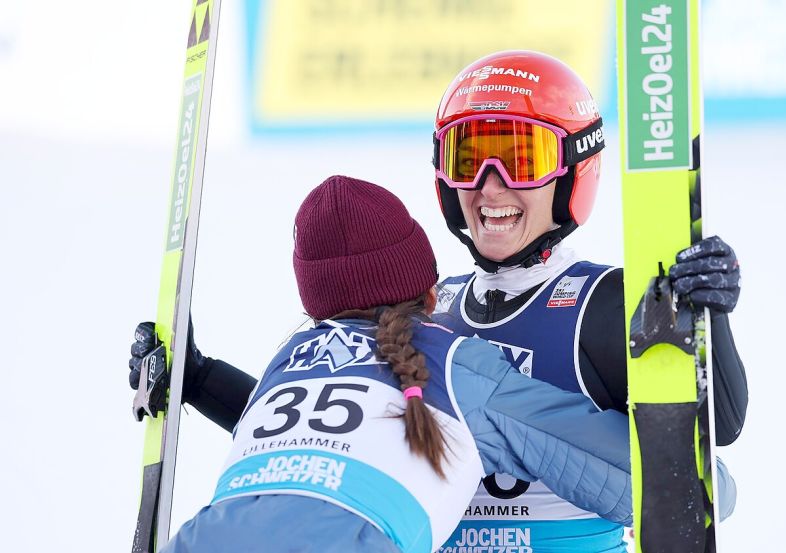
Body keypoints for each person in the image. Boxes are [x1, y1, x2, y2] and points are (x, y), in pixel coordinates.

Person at [128, 51, 748, 553]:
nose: (489, 187)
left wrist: (707, 320)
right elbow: (334, 442)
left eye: (521, 159)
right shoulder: (428, 312)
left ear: (570, 172)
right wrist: (198, 379)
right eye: (470, 158)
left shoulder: (601, 302)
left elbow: (717, 433)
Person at [156, 175, 633, 553]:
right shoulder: (455, 368)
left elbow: (314, 459)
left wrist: (196, 378)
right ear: (431, 295)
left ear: (315, 307)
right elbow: (632, 480)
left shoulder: (291, 357)